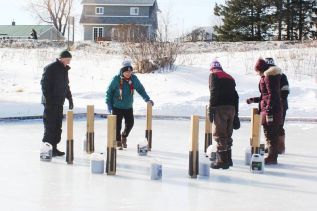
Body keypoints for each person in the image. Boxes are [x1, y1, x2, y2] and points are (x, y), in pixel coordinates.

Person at [106, 61, 154, 150]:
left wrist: (147, 99)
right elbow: (109, 92)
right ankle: (118, 141)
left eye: (130, 72)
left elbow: (140, 89)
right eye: (126, 72)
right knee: (117, 126)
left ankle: (124, 136)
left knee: (130, 123)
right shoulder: (116, 79)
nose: (128, 74)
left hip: (128, 106)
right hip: (117, 106)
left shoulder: (133, 79)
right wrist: (108, 104)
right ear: (122, 71)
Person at [246, 58, 282, 164]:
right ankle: (271, 156)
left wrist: (269, 109)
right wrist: (254, 99)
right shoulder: (267, 77)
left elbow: (272, 95)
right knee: (269, 133)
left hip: (271, 111)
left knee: (271, 134)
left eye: (257, 71)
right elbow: (265, 96)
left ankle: (272, 157)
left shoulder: (268, 77)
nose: (257, 73)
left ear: (260, 69)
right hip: (269, 109)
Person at [41, 50, 74, 156]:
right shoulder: (51, 68)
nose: (69, 62)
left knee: (57, 126)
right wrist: (49, 100)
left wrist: (70, 98)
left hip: (59, 102)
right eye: (68, 60)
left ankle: (54, 148)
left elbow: (65, 86)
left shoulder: (64, 70)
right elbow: (44, 85)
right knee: (50, 126)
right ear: (62, 58)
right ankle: (47, 150)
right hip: (50, 103)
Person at [208, 60, 239, 169]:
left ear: (212, 69)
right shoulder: (230, 77)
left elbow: (213, 92)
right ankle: (228, 159)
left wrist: (211, 108)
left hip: (220, 108)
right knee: (228, 134)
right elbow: (236, 96)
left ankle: (221, 161)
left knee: (220, 135)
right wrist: (236, 114)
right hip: (232, 108)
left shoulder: (213, 75)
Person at [265, 57, 289, 154]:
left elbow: (285, 91)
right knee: (271, 126)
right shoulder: (268, 76)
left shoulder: (281, 76)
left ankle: (279, 147)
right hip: (275, 105)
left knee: (277, 125)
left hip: (279, 105)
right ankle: (273, 146)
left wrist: (278, 101)